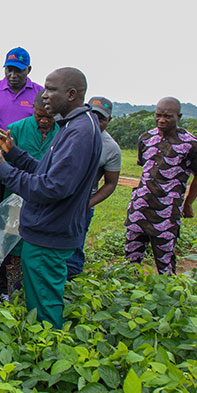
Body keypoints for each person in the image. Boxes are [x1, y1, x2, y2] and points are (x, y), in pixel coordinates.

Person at [0, 67, 102, 329]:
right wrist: (14, 154)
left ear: (71, 94)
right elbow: (47, 170)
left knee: (45, 308)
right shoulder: (74, 125)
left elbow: (50, 187)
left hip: (50, 233)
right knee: (40, 301)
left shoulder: (78, 132)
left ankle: (49, 356)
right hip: (50, 230)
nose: (44, 95)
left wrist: (3, 169)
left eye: (50, 89)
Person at [0, 47, 45, 301]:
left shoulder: (39, 94)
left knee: (13, 223)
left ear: (29, 70)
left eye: (18, 70)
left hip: (21, 165)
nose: (13, 75)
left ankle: (4, 284)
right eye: (9, 69)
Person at [125, 97, 197, 275]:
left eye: (167, 116)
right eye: (158, 115)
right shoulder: (146, 138)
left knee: (165, 262)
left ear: (178, 116)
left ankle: (168, 299)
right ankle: (128, 293)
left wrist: (189, 203)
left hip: (167, 211)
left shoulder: (191, 144)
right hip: (140, 207)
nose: (161, 120)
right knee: (130, 260)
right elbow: (145, 170)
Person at [0, 91, 62, 295]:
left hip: (48, 201)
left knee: (41, 249)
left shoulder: (63, 132)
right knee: (12, 248)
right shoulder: (16, 129)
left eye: (48, 117)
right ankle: (8, 293)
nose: (43, 120)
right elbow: (2, 163)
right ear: (33, 110)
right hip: (16, 198)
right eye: (38, 115)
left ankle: (33, 292)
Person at [66, 97, 121, 279]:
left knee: (74, 249)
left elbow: (111, 183)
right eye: (93, 115)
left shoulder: (110, 148)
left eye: (102, 118)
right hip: (57, 199)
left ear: (109, 120)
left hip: (81, 206)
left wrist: (86, 204)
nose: (96, 122)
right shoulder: (69, 132)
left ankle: (71, 288)